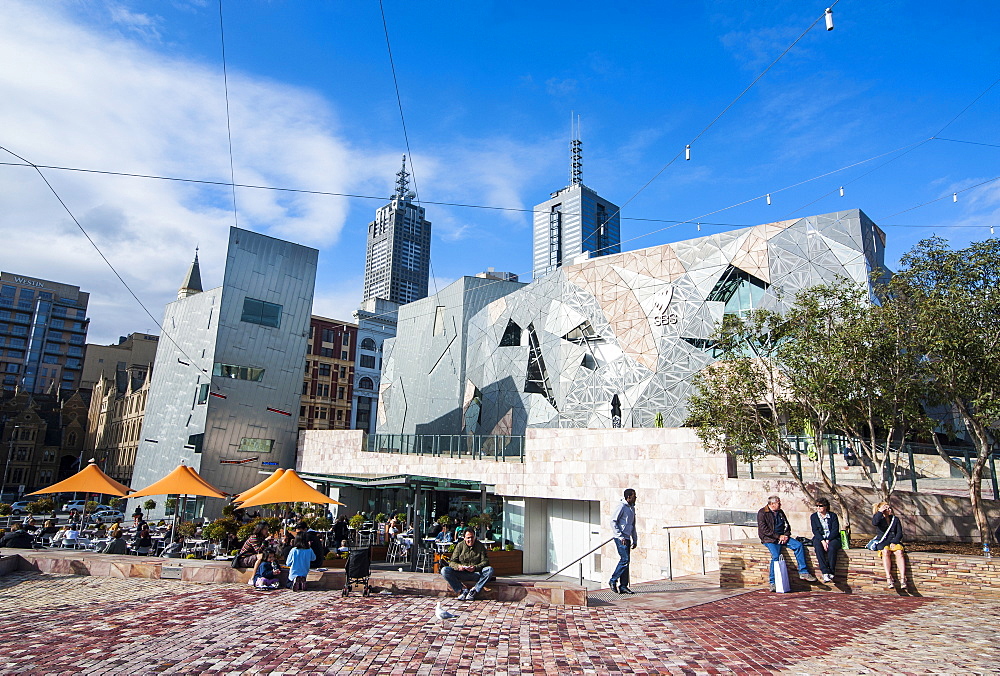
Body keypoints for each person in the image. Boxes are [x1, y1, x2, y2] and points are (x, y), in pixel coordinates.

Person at [757, 495, 818, 591]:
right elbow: (764, 529)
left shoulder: (780, 512)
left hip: (783, 537)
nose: (780, 504)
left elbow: (787, 525)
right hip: (770, 539)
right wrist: (778, 536)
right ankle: (773, 582)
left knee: (798, 545)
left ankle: (803, 572)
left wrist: (786, 535)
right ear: (772, 504)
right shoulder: (762, 513)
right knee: (776, 556)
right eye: (778, 503)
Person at [441, 528, 494, 601]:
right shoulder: (460, 546)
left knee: (489, 570)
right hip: (462, 572)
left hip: (476, 573)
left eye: (472, 537)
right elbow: (452, 562)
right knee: (444, 570)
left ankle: (474, 590)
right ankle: (462, 590)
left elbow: (485, 561)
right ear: (464, 538)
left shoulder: (480, 546)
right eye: (468, 538)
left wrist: (475, 567)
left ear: (475, 537)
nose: (470, 540)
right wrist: (458, 566)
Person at [871, 501, 907, 589]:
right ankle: (888, 577)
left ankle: (903, 578)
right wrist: (880, 511)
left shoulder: (895, 519)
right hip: (883, 541)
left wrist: (895, 541)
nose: (889, 510)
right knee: (885, 552)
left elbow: (899, 533)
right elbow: (874, 522)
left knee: (899, 552)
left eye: (889, 508)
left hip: (893, 541)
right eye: (886, 509)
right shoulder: (879, 518)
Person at [609, 488, 638, 595]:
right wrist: (619, 536)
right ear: (628, 497)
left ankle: (623, 586)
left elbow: (632, 525)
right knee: (624, 559)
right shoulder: (621, 506)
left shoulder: (632, 509)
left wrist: (634, 539)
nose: (635, 498)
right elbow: (613, 521)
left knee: (626, 562)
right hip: (620, 538)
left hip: (627, 538)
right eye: (634, 496)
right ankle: (613, 580)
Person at [810, 497, 842, 583]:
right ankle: (824, 572)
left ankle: (831, 571)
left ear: (826, 506)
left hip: (832, 537)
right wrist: (822, 541)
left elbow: (835, 530)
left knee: (832, 548)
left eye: (820, 506)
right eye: (816, 506)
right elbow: (815, 531)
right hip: (820, 538)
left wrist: (828, 540)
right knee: (818, 547)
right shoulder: (814, 516)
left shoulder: (833, 516)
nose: (818, 508)